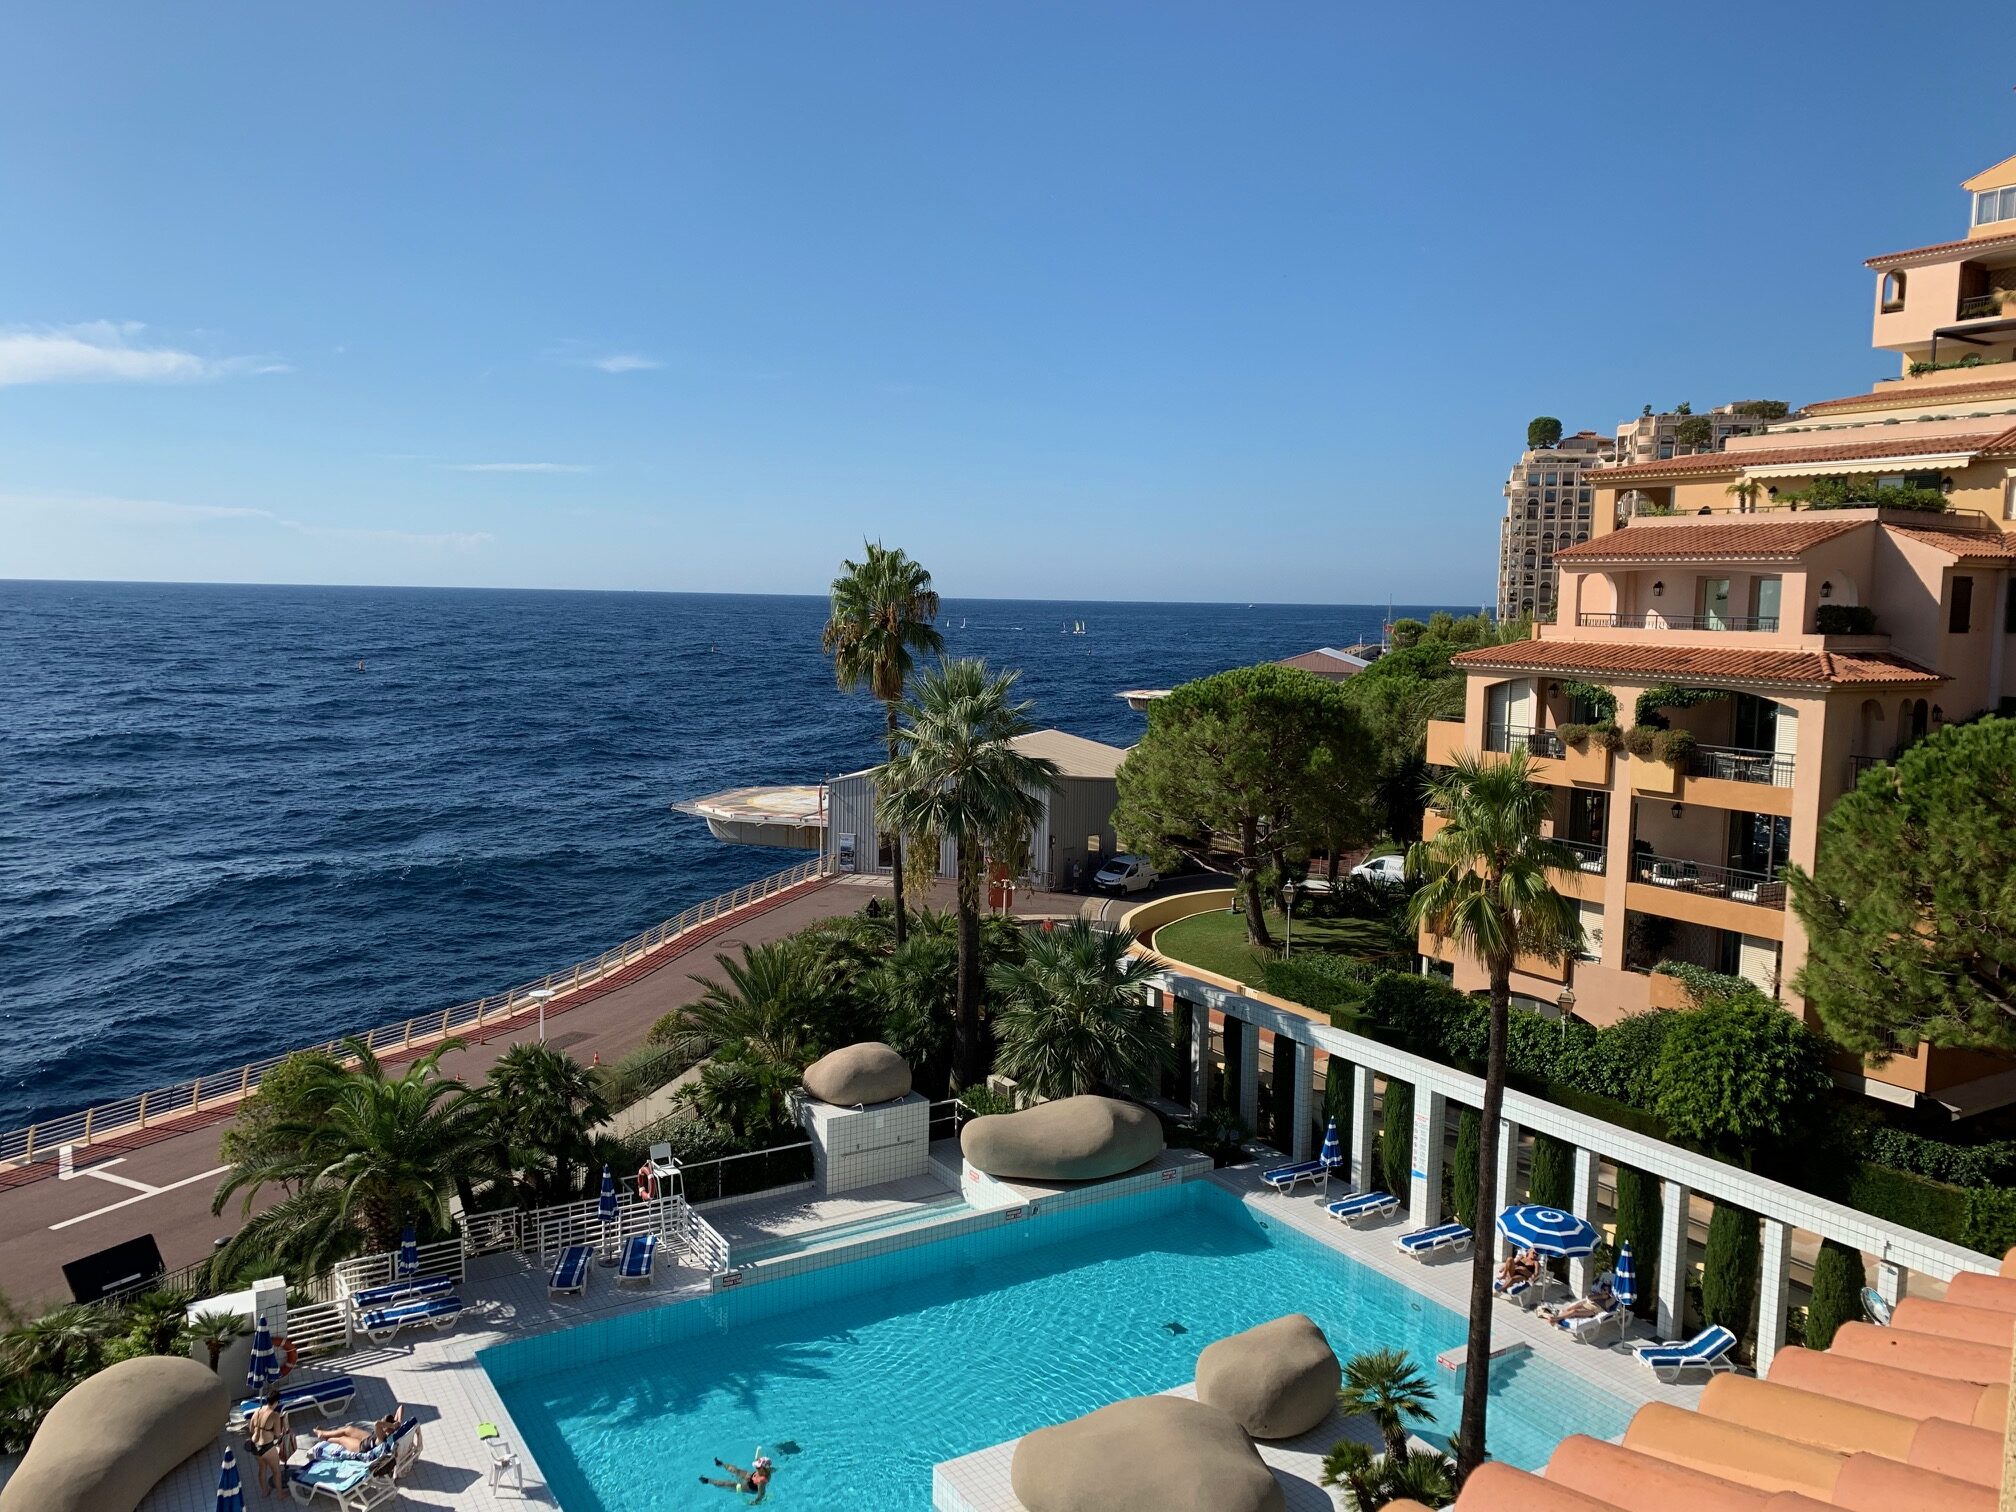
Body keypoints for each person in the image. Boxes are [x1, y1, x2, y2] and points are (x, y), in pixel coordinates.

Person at [247, 1388, 289, 1498]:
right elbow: (278, 1433)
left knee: (262, 1469)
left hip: (254, 1446)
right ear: (276, 1402)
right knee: (276, 1471)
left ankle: (264, 1492)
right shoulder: (274, 1415)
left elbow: (251, 1429)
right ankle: (280, 1494)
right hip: (267, 1446)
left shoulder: (257, 1411)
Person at [314, 1409, 400, 1458]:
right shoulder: (394, 1430)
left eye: (384, 1423)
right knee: (348, 1429)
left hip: (363, 1447)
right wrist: (397, 1422)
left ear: (387, 1428)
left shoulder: (383, 1437)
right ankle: (323, 1433)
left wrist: (392, 1425)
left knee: (342, 1439)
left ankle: (325, 1438)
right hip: (368, 1438)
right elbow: (401, 1407)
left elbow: (377, 1424)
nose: (382, 1421)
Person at [700, 1452, 773, 1502]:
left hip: (749, 1487)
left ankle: (708, 1481)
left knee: (729, 1484)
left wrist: (755, 1502)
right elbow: (775, 1469)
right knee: (736, 1470)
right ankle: (722, 1464)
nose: (756, 1468)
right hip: (751, 1477)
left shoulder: (761, 1482)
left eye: (757, 1467)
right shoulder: (769, 1470)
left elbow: (761, 1494)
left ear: (762, 1469)